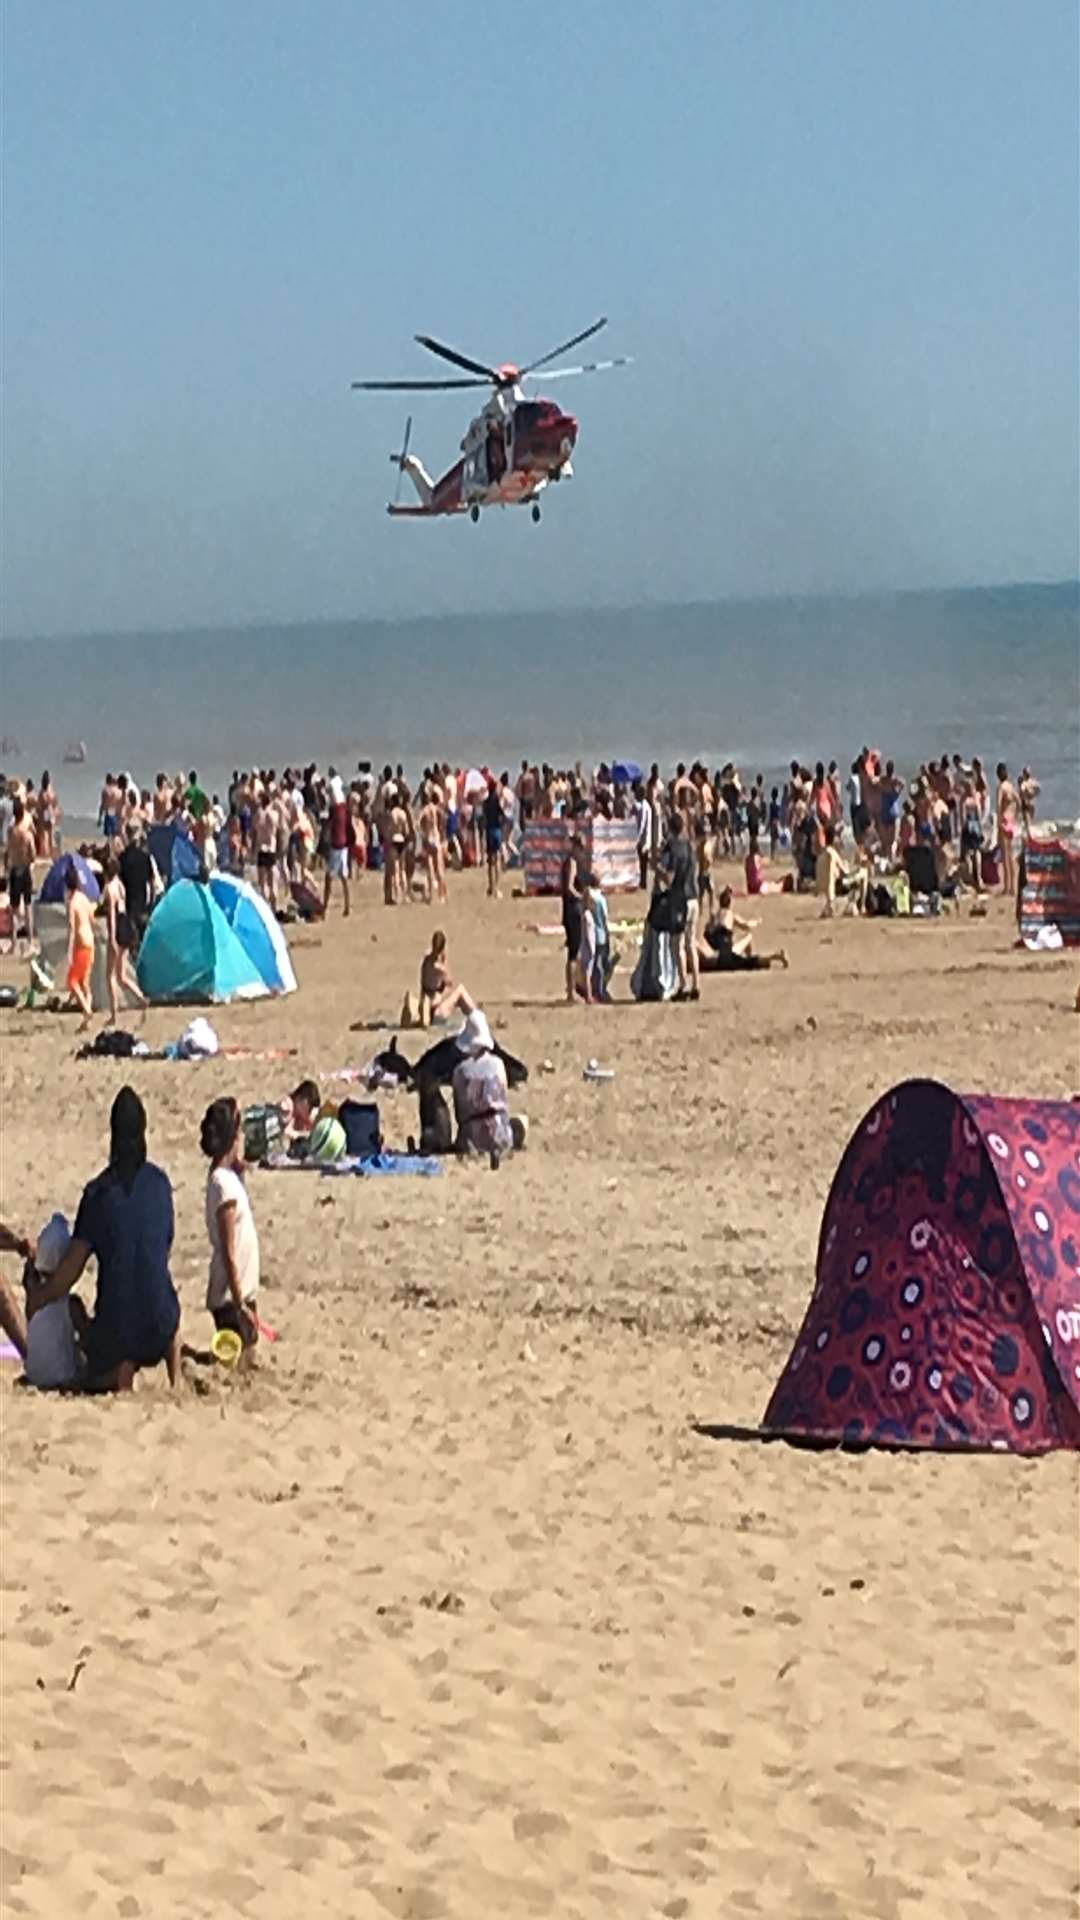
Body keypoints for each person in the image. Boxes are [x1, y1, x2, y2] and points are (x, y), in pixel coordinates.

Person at [26, 1088, 181, 1392]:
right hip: (158, 1328)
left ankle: (113, 1376)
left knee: (75, 1308)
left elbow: (69, 1274)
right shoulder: (160, 1184)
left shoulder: (98, 1194)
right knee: (168, 1305)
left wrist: (39, 1297)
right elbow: (161, 1249)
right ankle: (176, 1376)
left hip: (117, 1333)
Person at [200, 1097, 260, 1352]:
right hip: (231, 1296)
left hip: (240, 1292)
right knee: (237, 1352)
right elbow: (228, 1249)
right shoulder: (223, 1186)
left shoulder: (226, 1177)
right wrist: (239, 1302)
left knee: (247, 1350)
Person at [23, 1213, 83, 1390]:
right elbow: (88, 1337)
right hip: (61, 1377)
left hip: (35, 1374)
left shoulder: (33, 1296)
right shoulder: (70, 1305)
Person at [451, 1011, 515, 1158]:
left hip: (471, 1138)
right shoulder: (498, 1064)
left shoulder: (460, 1070)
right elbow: (504, 1098)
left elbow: (459, 1112)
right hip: (500, 1133)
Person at [102, 854, 148, 1024]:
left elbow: (111, 916)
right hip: (127, 924)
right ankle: (141, 998)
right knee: (121, 975)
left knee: (110, 975)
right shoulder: (120, 885)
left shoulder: (108, 889)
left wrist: (112, 938)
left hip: (118, 928)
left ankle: (114, 1015)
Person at [700, 887, 788, 972]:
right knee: (749, 958)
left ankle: (774, 956)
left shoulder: (714, 918)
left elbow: (708, 936)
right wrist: (757, 922)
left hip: (717, 955)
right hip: (724, 957)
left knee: (746, 957)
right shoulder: (730, 915)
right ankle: (776, 956)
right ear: (730, 903)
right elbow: (747, 926)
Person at [662, 810, 698, 1000]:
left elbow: (670, 878)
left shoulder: (673, 848)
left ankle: (683, 985)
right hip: (693, 897)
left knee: (678, 944)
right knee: (691, 943)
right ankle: (696, 984)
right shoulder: (690, 847)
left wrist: (657, 870)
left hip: (681, 899)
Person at [419, 930, 475, 1025]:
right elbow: (449, 984)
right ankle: (476, 1016)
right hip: (437, 1012)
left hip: (426, 1007)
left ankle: (472, 1014)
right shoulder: (439, 968)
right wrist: (445, 962)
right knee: (460, 991)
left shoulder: (426, 961)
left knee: (456, 997)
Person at [65, 863, 96, 1030]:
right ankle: (86, 1022)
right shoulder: (84, 898)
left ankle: (86, 1009)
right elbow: (92, 918)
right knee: (85, 983)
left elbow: (71, 928)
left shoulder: (72, 903)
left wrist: (69, 951)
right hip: (90, 942)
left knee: (72, 982)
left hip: (81, 944)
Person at [6, 798, 35, 946]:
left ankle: (14, 941)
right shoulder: (27, 834)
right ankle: (30, 940)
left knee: (14, 907)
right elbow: (33, 855)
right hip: (25, 869)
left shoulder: (10, 831)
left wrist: (6, 866)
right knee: (28, 905)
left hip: (14, 868)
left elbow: (7, 851)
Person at [323, 774, 352, 918]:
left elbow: (330, 827)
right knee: (343, 877)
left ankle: (325, 908)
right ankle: (347, 906)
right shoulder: (344, 809)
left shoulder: (335, 810)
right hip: (344, 844)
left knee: (329, 877)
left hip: (336, 845)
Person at [995, 762, 1020, 897]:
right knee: (1011, 856)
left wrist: (999, 821)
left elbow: (999, 805)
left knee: (1005, 857)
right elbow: (1018, 801)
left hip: (1004, 822)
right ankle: (1013, 887)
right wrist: (1015, 814)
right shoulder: (1011, 786)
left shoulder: (1001, 788)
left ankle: (1007, 887)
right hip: (1012, 822)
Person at [483, 779, 503, 898]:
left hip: (489, 831)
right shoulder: (497, 801)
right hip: (496, 830)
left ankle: (491, 886)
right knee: (497, 860)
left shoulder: (486, 802)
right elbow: (502, 815)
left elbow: (485, 816)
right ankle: (497, 887)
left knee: (490, 861)